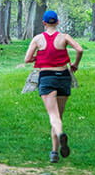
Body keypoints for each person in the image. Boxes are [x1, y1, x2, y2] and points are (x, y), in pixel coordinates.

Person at [23, 10, 83, 162]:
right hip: (63, 77)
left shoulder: (38, 39)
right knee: (58, 116)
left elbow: (27, 59)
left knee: (53, 115)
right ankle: (54, 152)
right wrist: (75, 64)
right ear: (57, 22)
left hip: (47, 78)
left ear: (44, 23)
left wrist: (38, 57)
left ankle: (60, 136)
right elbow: (80, 49)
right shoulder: (64, 37)